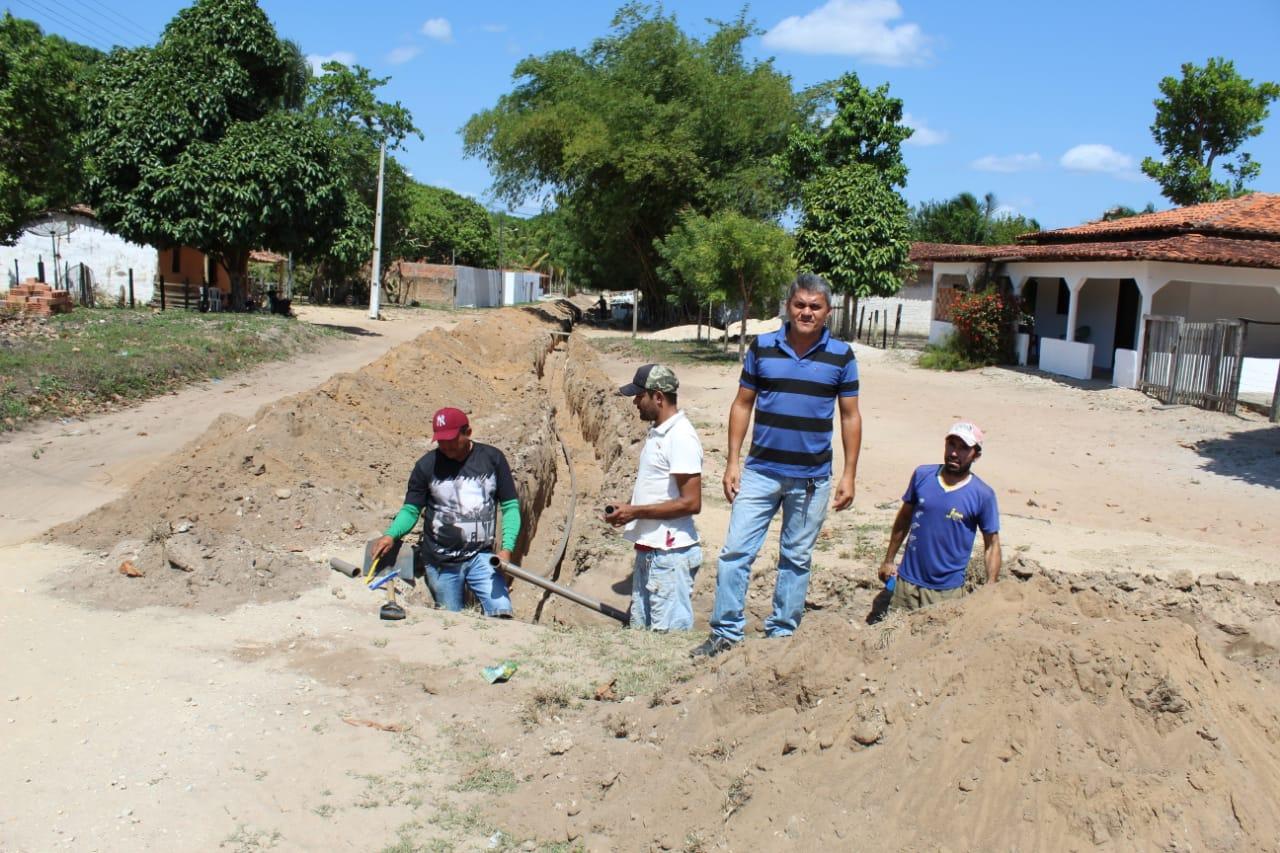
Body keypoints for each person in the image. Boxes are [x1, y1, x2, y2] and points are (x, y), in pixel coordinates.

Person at [692, 273, 862, 658]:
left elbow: (850, 416)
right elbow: (742, 404)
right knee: (735, 552)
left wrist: (849, 474)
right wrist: (732, 461)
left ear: (827, 312)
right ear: (788, 306)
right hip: (760, 472)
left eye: (814, 306)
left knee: (796, 559)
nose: (806, 312)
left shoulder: (842, 356)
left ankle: (782, 637)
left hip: (812, 480)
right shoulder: (762, 347)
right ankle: (725, 634)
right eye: (800, 304)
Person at [371, 407, 520, 617]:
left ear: (468, 432)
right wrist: (391, 534)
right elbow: (411, 510)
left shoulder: (492, 459)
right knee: (453, 621)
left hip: (481, 557)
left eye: (451, 439)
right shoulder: (426, 466)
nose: (446, 446)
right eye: (441, 441)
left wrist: (507, 548)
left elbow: (510, 507)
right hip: (441, 564)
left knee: (502, 612)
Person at [605, 364, 703, 631]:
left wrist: (635, 512)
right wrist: (627, 509)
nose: (635, 401)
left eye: (640, 395)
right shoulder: (660, 433)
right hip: (651, 551)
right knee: (643, 636)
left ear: (658, 397)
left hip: (670, 556)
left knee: (666, 641)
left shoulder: (680, 437)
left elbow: (692, 503)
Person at [878, 422, 1001, 611]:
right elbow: (904, 519)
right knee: (894, 637)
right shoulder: (922, 475)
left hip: (946, 593)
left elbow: (991, 544)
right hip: (906, 586)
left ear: (976, 455)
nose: (954, 453)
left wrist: (991, 587)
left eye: (963, 448)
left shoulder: (983, 495)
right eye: (951, 444)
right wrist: (888, 560)